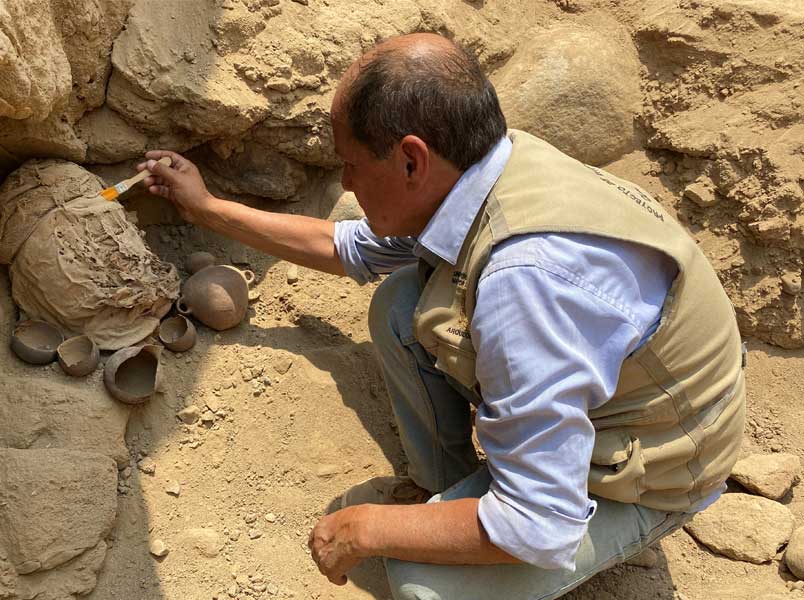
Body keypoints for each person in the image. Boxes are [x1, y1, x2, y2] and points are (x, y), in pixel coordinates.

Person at [137, 32, 746, 600]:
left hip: (662, 465)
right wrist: (207, 208)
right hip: (622, 399)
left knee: (422, 578)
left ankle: (552, 515)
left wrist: (366, 530)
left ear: (410, 160)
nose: (345, 181)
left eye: (351, 163)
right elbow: (345, 247)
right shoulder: (484, 170)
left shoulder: (523, 281)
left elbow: (541, 526)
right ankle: (447, 485)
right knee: (403, 307)